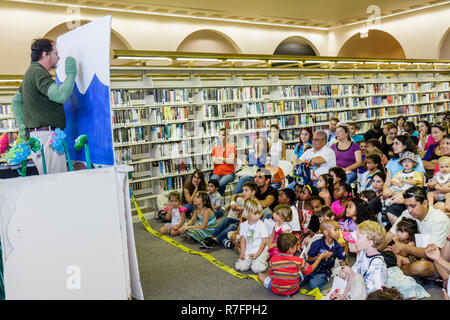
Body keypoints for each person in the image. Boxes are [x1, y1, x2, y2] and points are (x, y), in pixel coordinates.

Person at [11, 38, 78, 175]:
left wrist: (23, 127)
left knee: (49, 182)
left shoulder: (30, 72)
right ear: (44, 54)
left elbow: (16, 101)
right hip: (47, 138)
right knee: (56, 183)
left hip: (39, 137)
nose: (58, 57)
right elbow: (60, 95)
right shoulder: (38, 72)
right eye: (56, 53)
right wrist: (71, 75)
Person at [379, 187, 450, 279]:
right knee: (386, 251)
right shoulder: (406, 213)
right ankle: (395, 268)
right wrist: (376, 252)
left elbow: (431, 253)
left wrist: (405, 247)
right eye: (407, 206)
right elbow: (390, 235)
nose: (409, 210)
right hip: (410, 257)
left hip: (434, 262)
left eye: (413, 206)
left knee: (421, 267)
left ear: (424, 203)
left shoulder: (439, 219)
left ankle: (395, 270)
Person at [257, 233, 329, 296]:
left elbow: (271, 275)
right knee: (302, 270)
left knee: (260, 275)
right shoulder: (299, 261)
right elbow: (310, 269)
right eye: (296, 245)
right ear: (291, 249)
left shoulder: (273, 260)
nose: (297, 247)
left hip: (275, 289)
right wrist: (320, 257)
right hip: (293, 290)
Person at [331, 221, 387, 299]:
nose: (355, 239)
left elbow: (374, 294)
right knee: (345, 271)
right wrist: (343, 296)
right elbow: (353, 275)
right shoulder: (363, 253)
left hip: (370, 295)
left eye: (358, 236)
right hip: (360, 289)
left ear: (370, 243)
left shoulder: (377, 265)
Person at [200, 181, 257, 249]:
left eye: (246, 190)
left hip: (248, 226)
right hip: (241, 221)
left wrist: (240, 216)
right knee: (226, 220)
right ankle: (211, 236)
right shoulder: (247, 201)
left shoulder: (255, 204)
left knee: (232, 226)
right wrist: (240, 210)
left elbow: (249, 219)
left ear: (253, 192)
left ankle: (215, 240)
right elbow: (243, 212)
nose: (243, 193)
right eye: (243, 190)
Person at [303, 219, 347, 290]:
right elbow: (309, 259)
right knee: (298, 280)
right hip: (311, 268)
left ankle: (325, 278)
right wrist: (320, 257)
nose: (339, 232)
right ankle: (310, 277)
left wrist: (346, 271)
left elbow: (342, 261)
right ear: (326, 232)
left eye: (338, 229)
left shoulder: (337, 246)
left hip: (323, 271)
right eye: (335, 230)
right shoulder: (317, 243)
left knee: (313, 285)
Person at [235, 199, 269, 274]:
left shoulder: (261, 225)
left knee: (256, 269)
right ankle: (252, 260)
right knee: (241, 267)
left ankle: (263, 258)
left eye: (259, 213)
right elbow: (243, 240)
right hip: (248, 249)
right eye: (255, 214)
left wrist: (257, 254)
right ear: (248, 213)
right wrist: (243, 252)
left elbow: (264, 242)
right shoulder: (243, 225)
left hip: (260, 249)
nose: (258, 216)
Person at [211, 127, 236, 195]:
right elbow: (214, 161)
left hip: (229, 173)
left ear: (227, 136)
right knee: (211, 184)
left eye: (223, 135)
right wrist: (225, 159)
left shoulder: (231, 147)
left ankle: (216, 202)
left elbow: (231, 161)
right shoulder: (215, 149)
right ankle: (214, 201)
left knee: (219, 185)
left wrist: (220, 158)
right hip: (217, 173)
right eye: (220, 135)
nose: (221, 137)